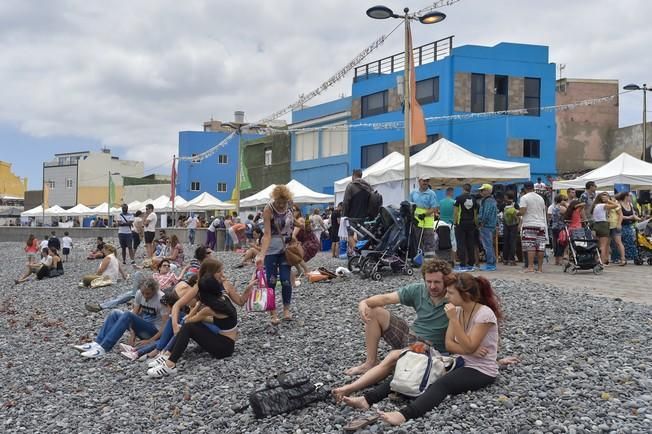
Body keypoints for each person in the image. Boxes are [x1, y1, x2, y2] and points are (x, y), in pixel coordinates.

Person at [340, 273, 503, 427]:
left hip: (481, 369)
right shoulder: (458, 310)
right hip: (460, 361)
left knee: (442, 384)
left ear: (465, 295)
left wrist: (455, 323)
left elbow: (467, 346)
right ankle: (367, 399)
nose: (447, 296)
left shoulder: (484, 314)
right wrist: (469, 348)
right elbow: (449, 345)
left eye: (451, 293)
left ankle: (404, 415)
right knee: (414, 369)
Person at [145, 258, 253, 377]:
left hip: (222, 342)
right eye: (219, 271)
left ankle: (169, 361)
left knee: (188, 326)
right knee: (185, 323)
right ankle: (166, 354)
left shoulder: (211, 304)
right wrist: (177, 324)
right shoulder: (220, 297)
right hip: (223, 334)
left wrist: (195, 308)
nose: (223, 274)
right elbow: (179, 306)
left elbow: (188, 321)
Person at [343, 259, 452, 376]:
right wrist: (364, 303)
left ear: (446, 281)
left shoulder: (454, 296)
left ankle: (382, 372)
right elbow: (387, 298)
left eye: (437, 282)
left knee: (395, 360)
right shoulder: (418, 290)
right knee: (374, 311)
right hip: (410, 335)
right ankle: (371, 362)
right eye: (428, 281)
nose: (432, 286)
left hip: (429, 347)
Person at [73, 277, 168, 358]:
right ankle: (97, 343)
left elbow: (165, 326)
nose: (145, 296)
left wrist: (150, 341)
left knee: (127, 314)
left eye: (148, 294)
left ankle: (104, 347)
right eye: (143, 293)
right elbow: (134, 314)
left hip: (154, 332)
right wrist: (132, 333)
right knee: (115, 313)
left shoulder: (161, 299)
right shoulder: (140, 293)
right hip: (143, 327)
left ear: (154, 291)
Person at [255, 184, 295, 325]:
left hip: (286, 249)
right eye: (278, 202)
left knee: (285, 280)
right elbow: (266, 234)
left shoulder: (290, 208)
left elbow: (291, 228)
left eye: (283, 202)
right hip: (271, 248)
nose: (280, 205)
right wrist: (261, 254)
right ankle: (273, 313)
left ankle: (286, 310)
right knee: (271, 280)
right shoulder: (268, 209)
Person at [518, 181, 548, 273]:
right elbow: (544, 210)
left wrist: (516, 213)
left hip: (529, 224)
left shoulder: (524, 198)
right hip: (541, 224)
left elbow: (522, 211)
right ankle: (539, 268)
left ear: (525, 188)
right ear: (533, 188)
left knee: (530, 246)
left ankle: (530, 267)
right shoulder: (540, 198)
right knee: (540, 247)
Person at [343, 169, 373, 250]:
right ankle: (362, 257)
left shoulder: (351, 186)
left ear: (353, 176)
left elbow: (346, 202)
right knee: (362, 237)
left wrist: (344, 215)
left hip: (352, 217)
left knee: (350, 235)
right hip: (365, 217)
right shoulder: (368, 187)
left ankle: (356, 253)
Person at [411, 176, 439, 255]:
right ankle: (418, 261)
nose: (425, 182)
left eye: (427, 181)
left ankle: (429, 262)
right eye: (424, 181)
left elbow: (434, 208)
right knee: (417, 242)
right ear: (419, 181)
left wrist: (424, 214)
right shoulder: (413, 193)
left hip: (427, 223)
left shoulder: (431, 193)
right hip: (416, 222)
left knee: (429, 243)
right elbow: (411, 204)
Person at [453, 184, 477, 271]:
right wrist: (475, 224)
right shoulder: (474, 199)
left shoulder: (458, 198)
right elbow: (475, 214)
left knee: (461, 244)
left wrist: (455, 222)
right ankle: (471, 264)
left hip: (461, 223)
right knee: (470, 243)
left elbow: (456, 211)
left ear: (463, 189)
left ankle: (462, 264)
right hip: (471, 223)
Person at [591, 192, 619, 265]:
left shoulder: (595, 205)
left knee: (598, 245)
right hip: (603, 225)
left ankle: (597, 259)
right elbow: (616, 205)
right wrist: (608, 200)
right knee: (603, 246)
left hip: (595, 225)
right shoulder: (603, 205)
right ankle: (602, 261)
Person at [477, 184, 497, 271]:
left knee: (487, 245)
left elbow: (486, 213)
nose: (481, 192)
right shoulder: (491, 200)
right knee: (489, 244)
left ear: (488, 191)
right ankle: (492, 261)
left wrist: (482, 222)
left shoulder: (487, 201)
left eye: (483, 190)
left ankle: (490, 263)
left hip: (486, 225)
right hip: (490, 225)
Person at [618, 192, 641, 261]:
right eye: (630, 197)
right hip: (621, 225)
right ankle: (623, 256)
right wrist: (629, 217)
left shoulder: (630, 204)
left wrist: (640, 219)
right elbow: (619, 216)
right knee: (623, 241)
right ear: (626, 197)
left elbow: (633, 215)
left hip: (629, 225)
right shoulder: (619, 204)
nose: (631, 198)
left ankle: (631, 256)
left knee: (630, 240)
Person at [501, 191, 519, 266]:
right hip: (514, 225)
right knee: (512, 242)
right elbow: (518, 215)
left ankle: (505, 259)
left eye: (505, 197)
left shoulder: (503, 205)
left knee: (506, 242)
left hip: (506, 225)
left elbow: (501, 215)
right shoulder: (516, 205)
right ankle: (512, 260)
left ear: (507, 197)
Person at [549, 194, 568, 266]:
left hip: (554, 227)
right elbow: (568, 213)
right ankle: (560, 260)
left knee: (556, 244)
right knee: (561, 243)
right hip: (561, 227)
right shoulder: (562, 208)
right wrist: (566, 205)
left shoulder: (554, 207)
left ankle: (556, 260)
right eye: (565, 200)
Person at [608, 195, 626, 265]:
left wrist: (619, 224)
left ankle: (623, 259)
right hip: (607, 226)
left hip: (615, 225)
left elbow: (621, 215)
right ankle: (606, 259)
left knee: (618, 242)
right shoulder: (607, 205)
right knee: (607, 243)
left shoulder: (616, 204)